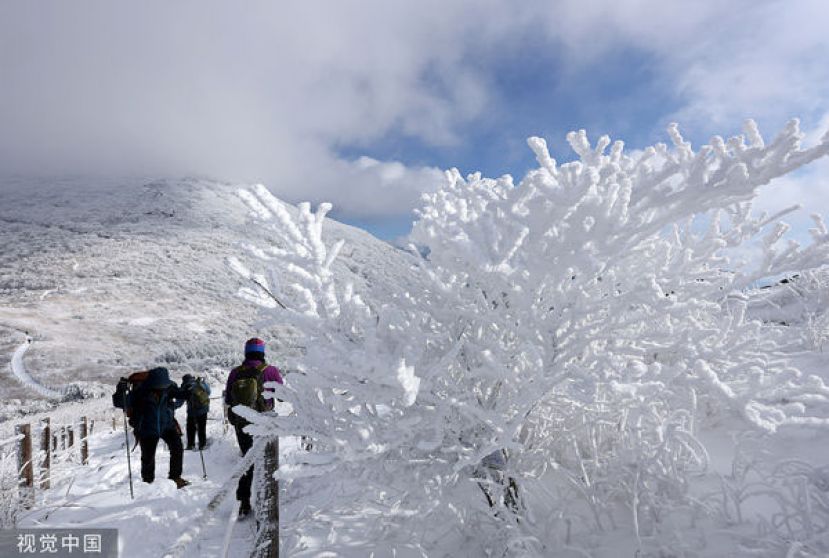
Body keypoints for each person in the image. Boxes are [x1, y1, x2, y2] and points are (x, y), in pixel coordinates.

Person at [225, 338, 283, 517]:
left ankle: (243, 502)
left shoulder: (235, 372)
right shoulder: (271, 371)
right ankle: (266, 502)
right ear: (262, 352)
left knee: (247, 460)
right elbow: (282, 395)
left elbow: (228, 399)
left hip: (242, 422)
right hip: (264, 423)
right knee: (267, 460)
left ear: (246, 352)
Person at [125, 367, 190, 489]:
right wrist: (121, 390)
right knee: (148, 457)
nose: (162, 389)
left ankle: (175, 477)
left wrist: (188, 390)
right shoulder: (141, 391)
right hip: (147, 428)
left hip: (167, 425)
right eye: (159, 387)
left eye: (164, 387)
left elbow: (180, 394)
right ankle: (148, 483)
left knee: (177, 448)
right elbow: (122, 402)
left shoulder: (169, 388)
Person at [181, 374, 211, 451]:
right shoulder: (199, 383)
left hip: (192, 411)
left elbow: (180, 399)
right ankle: (202, 445)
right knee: (201, 427)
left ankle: (191, 445)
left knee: (190, 428)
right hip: (203, 409)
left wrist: (174, 406)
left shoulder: (185, 386)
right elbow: (208, 392)